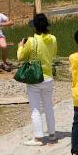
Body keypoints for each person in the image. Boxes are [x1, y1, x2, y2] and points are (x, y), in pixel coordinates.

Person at [16, 13, 58, 145]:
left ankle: (38, 137)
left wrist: (20, 47)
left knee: (35, 108)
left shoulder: (32, 41)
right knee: (48, 106)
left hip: (35, 77)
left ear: (35, 27)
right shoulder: (53, 39)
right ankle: (52, 134)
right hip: (48, 78)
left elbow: (20, 57)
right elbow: (54, 53)